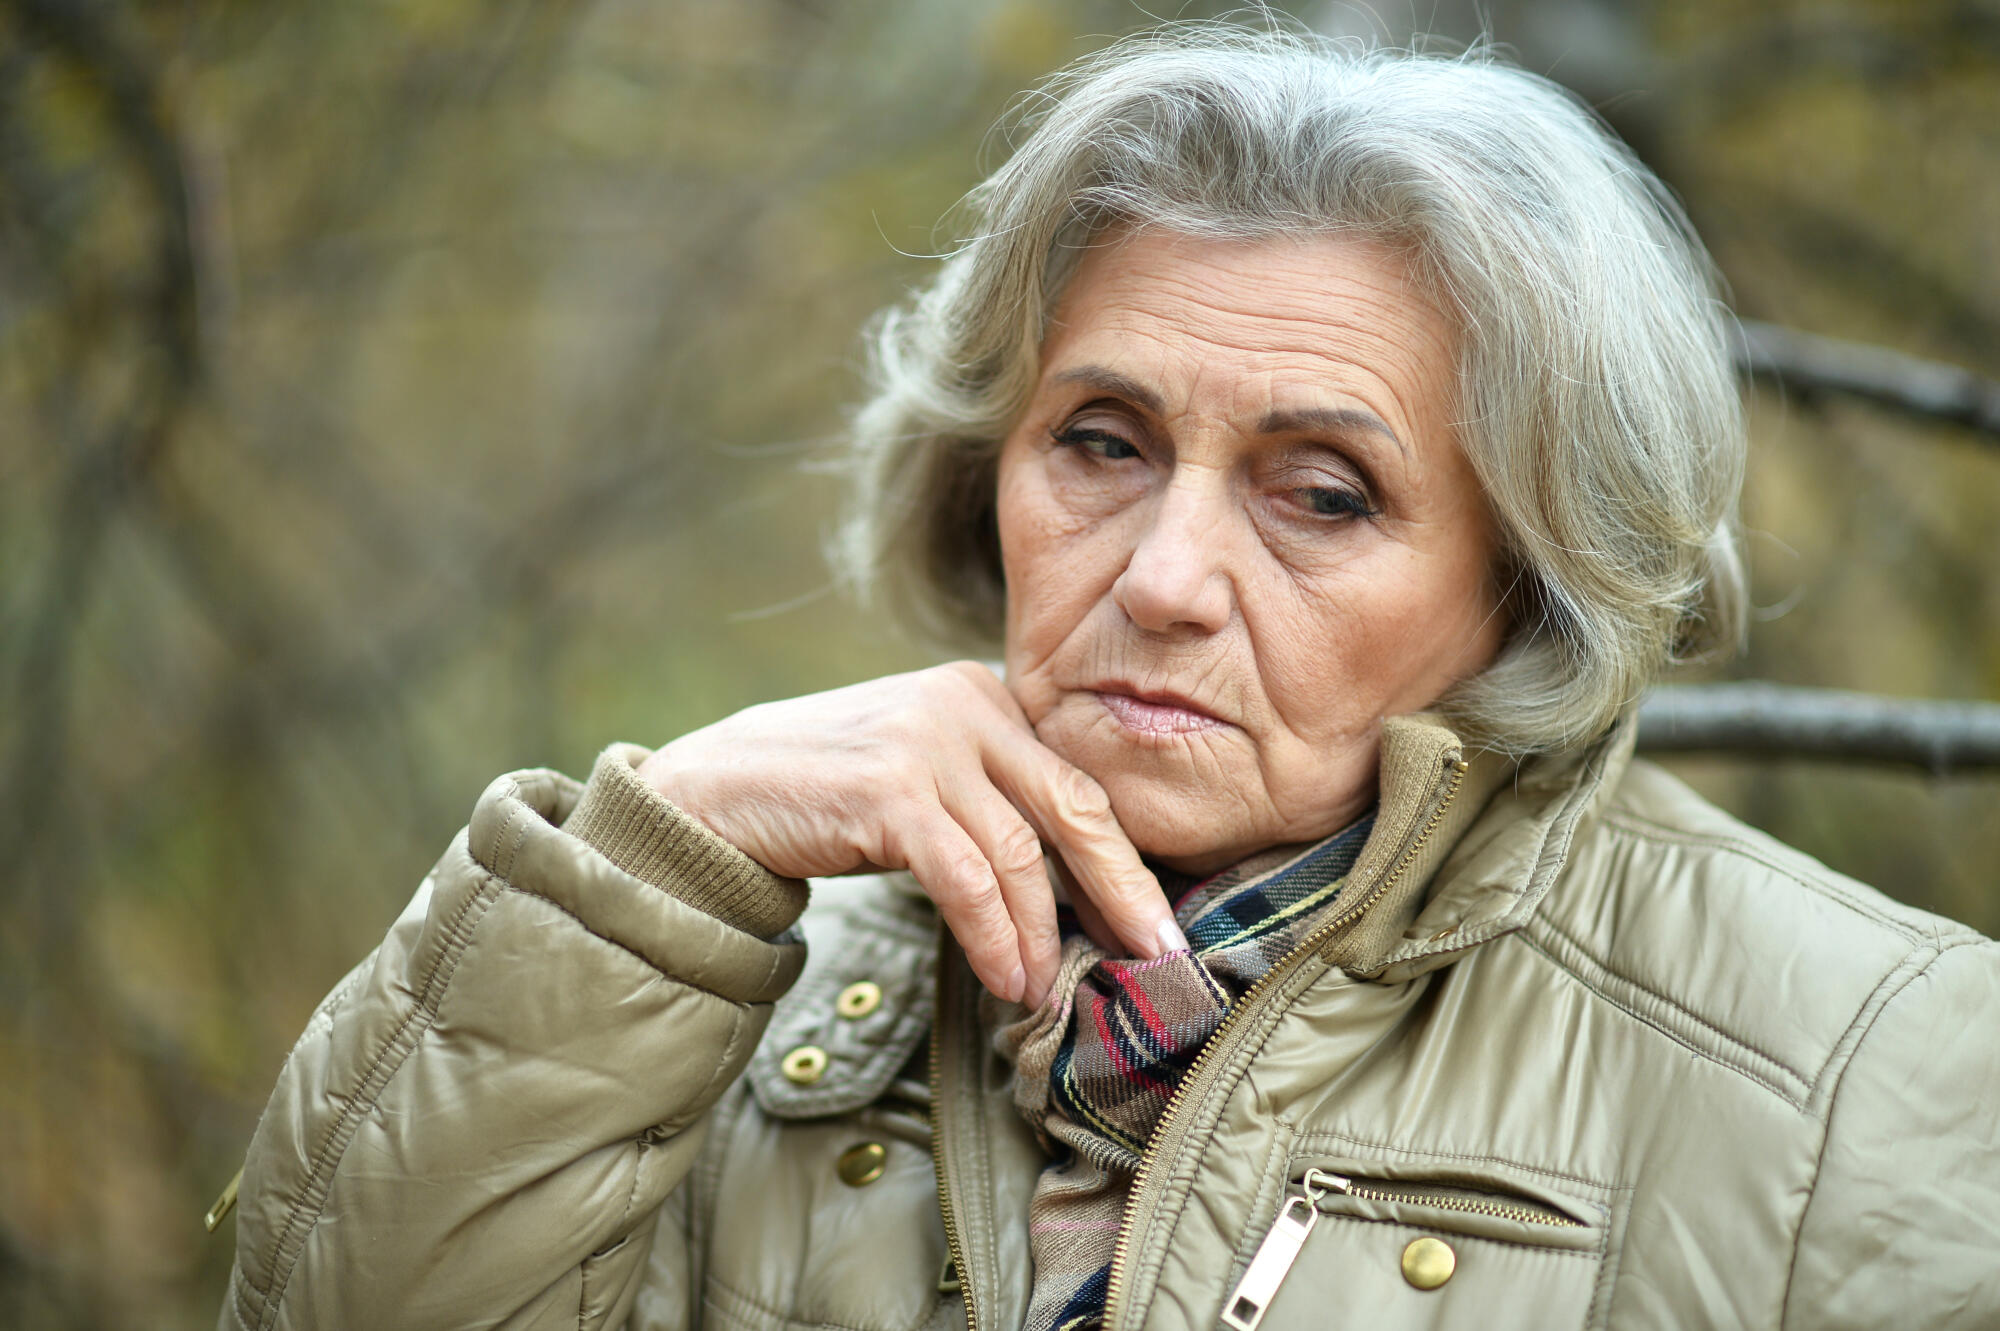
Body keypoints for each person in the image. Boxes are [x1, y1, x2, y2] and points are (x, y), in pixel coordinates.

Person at [215, 26, 2000, 1331]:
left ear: (1528, 583)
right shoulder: (728, 993)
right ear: (984, 473)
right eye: (1100, 441)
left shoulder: (1881, 1066)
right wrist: (659, 859)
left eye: (1324, 493)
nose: (1160, 582)